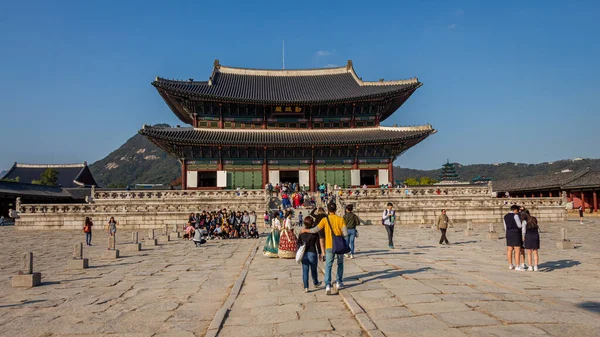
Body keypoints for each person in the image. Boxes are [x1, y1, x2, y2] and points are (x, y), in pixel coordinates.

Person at [301, 202, 347, 295]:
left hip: (329, 245)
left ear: (328, 210)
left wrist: (306, 230)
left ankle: (327, 285)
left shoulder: (325, 220)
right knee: (340, 263)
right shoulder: (340, 219)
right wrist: (339, 235)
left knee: (328, 266)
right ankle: (338, 282)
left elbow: (315, 229)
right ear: (336, 210)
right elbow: (345, 234)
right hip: (339, 246)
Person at [298, 216, 323, 292]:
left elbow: (298, 242)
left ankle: (306, 287)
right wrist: (320, 253)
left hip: (304, 253)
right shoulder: (314, 233)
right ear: (312, 224)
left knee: (305, 270)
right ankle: (315, 282)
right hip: (312, 252)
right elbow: (318, 244)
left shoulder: (301, 233)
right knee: (313, 269)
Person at [504, 205, 524, 271]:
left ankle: (510, 264)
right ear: (515, 210)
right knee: (517, 250)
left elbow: (505, 226)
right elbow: (519, 225)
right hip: (515, 233)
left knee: (509, 250)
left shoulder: (505, 216)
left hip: (508, 233)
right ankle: (517, 265)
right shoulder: (515, 216)